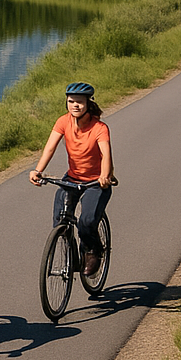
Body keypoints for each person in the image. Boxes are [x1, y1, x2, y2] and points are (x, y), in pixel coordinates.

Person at [30, 82, 113, 276]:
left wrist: (105, 176)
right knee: (60, 219)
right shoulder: (63, 122)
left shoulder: (99, 128)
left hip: (95, 182)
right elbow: (50, 148)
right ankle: (68, 250)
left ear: (88, 103)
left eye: (79, 102)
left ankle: (93, 251)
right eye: (71, 101)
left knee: (86, 221)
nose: (75, 105)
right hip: (73, 179)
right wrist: (37, 170)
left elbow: (107, 155)